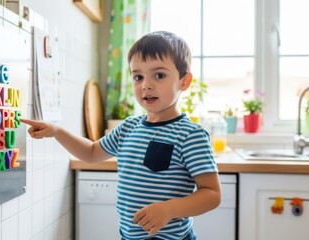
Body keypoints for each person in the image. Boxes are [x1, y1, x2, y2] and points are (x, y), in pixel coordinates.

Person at [20, 31, 221, 240]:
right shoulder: (129, 128)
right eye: (138, 77)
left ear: (184, 81)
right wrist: (57, 131)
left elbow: (212, 194)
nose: (146, 85)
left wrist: (170, 209)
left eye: (159, 75)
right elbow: (90, 152)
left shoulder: (191, 135)